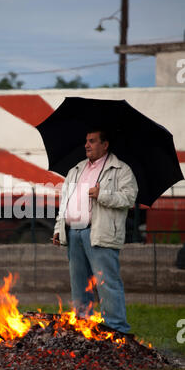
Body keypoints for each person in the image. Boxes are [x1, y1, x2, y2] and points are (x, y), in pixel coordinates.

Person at [53, 129, 138, 334]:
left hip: (100, 233)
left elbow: (129, 198)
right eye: (86, 141)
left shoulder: (121, 169)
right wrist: (59, 228)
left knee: (107, 283)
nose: (87, 145)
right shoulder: (76, 169)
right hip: (74, 232)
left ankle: (117, 330)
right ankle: (84, 327)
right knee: (79, 285)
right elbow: (65, 201)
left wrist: (103, 194)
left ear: (105, 144)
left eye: (92, 141)